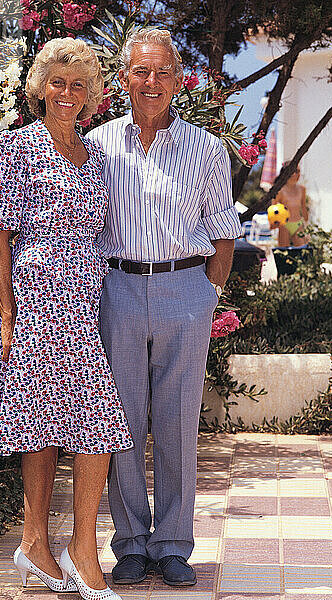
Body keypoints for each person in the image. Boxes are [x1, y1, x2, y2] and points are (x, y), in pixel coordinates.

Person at [0, 37, 132, 600]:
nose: (67, 94)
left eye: (78, 85)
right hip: (40, 306)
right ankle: (79, 554)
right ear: (41, 87)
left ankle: (37, 544)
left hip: (83, 307)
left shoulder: (99, 160)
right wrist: (9, 320)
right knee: (95, 427)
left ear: (91, 95)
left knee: (57, 425)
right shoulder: (15, 147)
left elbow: (99, 236)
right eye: (58, 82)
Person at [86, 29, 241, 587]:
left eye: (162, 73)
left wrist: (207, 294)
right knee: (118, 422)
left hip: (184, 290)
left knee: (177, 422)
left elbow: (224, 227)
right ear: (124, 78)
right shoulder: (97, 144)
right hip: (118, 290)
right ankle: (130, 543)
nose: (151, 83)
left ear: (178, 80)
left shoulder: (205, 147)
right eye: (140, 72)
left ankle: (173, 544)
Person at [276, 162, 309, 247]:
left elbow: (304, 207)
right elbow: (273, 209)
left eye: (298, 171)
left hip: (298, 224)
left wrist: (307, 226)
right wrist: (273, 225)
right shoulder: (280, 190)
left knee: (301, 251)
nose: (297, 174)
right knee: (283, 253)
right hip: (284, 225)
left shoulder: (302, 189)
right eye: (294, 171)